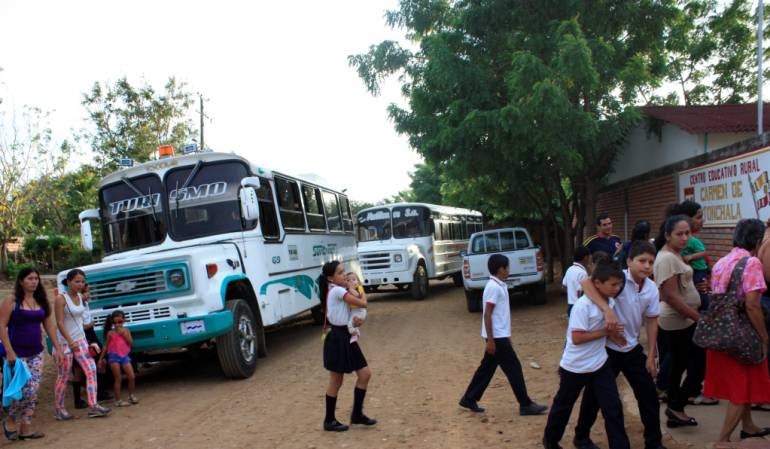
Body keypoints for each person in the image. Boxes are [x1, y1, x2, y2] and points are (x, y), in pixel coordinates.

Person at [574, 241, 666, 449]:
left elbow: (652, 321)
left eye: (651, 262)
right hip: (607, 349)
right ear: (629, 261)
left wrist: (652, 355)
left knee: (648, 396)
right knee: (595, 397)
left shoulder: (651, 288)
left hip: (631, 349)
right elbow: (587, 284)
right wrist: (608, 311)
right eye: (642, 261)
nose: (646, 266)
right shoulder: (618, 279)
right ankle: (581, 437)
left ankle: (654, 442)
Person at [542, 257, 630, 449]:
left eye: (620, 284)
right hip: (575, 366)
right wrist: (606, 332)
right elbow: (577, 338)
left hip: (599, 364)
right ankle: (551, 441)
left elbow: (606, 332)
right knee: (563, 406)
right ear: (597, 283)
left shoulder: (610, 302)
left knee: (612, 408)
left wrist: (617, 337)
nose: (617, 288)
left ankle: (601, 442)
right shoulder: (583, 306)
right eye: (613, 284)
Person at [703, 219, 770, 445]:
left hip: (722, 330)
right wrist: (764, 336)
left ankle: (748, 425)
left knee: (744, 382)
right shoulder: (751, 262)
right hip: (741, 332)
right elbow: (752, 304)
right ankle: (723, 439)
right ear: (758, 241)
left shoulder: (723, 260)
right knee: (741, 388)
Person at [459, 254, 547, 416]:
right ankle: (525, 404)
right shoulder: (493, 287)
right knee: (514, 368)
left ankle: (469, 398)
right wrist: (491, 340)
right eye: (507, 267)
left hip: (499, 336)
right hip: (496, 337)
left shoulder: (499, 285)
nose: (509, 270)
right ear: (501, 269)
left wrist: (505, 336)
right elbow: (487, 314)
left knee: (487, 367)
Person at [0, 267, 62, 441]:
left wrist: (57, 347)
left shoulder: (41, 301)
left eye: (36, 278)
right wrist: (10, 351)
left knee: (33, 390)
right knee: (22, 390)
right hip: (17, 355)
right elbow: (1, 326)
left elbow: (49, 325)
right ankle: (11, 419)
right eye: (29, 278)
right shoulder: (12, 301)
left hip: (37, 352)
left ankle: (25, 428)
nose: (34, 281)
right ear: (21, 281)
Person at [653, 215, 703, 428]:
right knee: (700, 365)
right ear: (667, 235)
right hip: (679, 320)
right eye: (679, 234)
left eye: (687, 233)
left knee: (679, 364)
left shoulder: (676, 255)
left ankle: (675, 409)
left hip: (683, 319)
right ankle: (677, 404)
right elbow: (671, 296)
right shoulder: (666, 259)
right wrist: (698, 318)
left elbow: (678, 288)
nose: (684, 238)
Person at [319, 261, 375, 432]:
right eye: (340, 273)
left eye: (344, 272)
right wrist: (361, 291)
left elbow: (353, 313)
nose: (344, 275)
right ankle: (329, 420)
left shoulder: (340, 290)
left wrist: (358, 321)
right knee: (336, 380)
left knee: (364, 374)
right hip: (338, 337)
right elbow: (362, 304)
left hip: (347, 335)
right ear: (330, 278)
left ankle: (357, 414)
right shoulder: (337, 290)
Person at [54, 269, 111, 419]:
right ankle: (59, 409)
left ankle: (93, 405)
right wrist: (70, 341)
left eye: (82, 281)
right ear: (68, 282)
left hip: (81, 341)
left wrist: (84, 340)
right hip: (64, 343)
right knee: (64, 376)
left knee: (91, 369)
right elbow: (59, 322)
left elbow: (81, 316)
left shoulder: (80, 297)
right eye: (77, 281)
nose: (80, 284)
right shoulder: (61, 299)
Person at [99, 310, 138, 407]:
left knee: (131, 376)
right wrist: (100, 359)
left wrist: (124, 335)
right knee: (118, 378)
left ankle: (131, 395)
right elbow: (105, 346)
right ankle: (118, 400)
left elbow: (131, 343)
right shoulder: (110, 333)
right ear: (112, 322)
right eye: (114, 322)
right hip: (113, 356)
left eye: (119, 322)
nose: (117, 324)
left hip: (124, 356)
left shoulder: (126, 331)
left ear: (124, 321)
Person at [562, 246, 590, 317]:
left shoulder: (570, 269)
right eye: (588, 257)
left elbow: (564, 286)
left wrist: (571, 295)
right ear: (585, 258)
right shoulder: (582, 273)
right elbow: (581, 292)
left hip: (571, 306)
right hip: (579, 308)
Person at [346, 272, 367, 343]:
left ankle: (355, 335)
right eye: (348, 280)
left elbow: (358, 295)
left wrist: (351, 289)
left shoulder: (359, 287)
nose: (351, 281)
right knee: (352, 323)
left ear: (358, 281)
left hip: (360, 311)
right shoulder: (347, 290)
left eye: (354, 279)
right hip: (354, 310)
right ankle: (356, 332)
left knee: (350, 325)